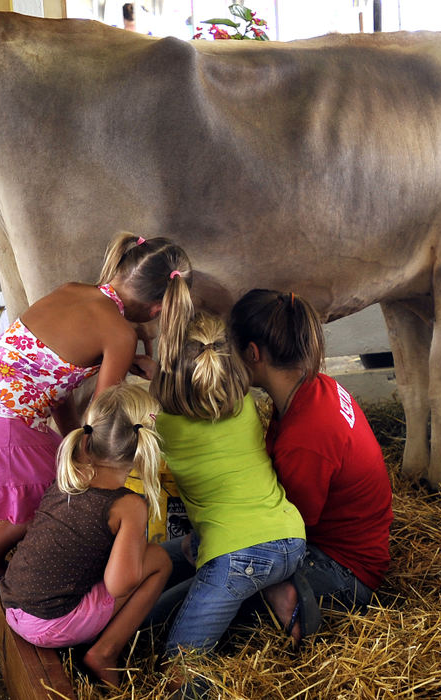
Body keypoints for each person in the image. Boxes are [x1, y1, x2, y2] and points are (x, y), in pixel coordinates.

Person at [0, 232, 191, 591]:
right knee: (67, 491)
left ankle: (1, 555)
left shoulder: (71, 290)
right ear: (158, 309)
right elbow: (104, 418)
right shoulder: (120, 334)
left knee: (62, 473)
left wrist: (71, 443)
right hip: (5, 423)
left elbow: (55, 380)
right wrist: (85, 454)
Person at [148, 273, 310, 658]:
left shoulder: (165, 427)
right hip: (290, 535)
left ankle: (270, 590)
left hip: (239, 555)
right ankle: (279, 589)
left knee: (182, 659)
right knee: (185, 547)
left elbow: (160, 413)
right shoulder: (244, 408)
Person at [229, 289, 394, 646]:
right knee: (191, 558)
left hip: (343, 571)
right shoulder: (312, 389)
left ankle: (284, 596)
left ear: (253, 354)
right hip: (343, 543)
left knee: (210, 597)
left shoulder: (305, 437)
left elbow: (285, 535)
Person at [0, 383, 172, 688]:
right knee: (159, 559)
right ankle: (105, 653)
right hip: (51, 624)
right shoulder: (129, 505)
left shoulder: (69, 476)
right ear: (145, 445)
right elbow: (119, 585)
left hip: (13, 606)